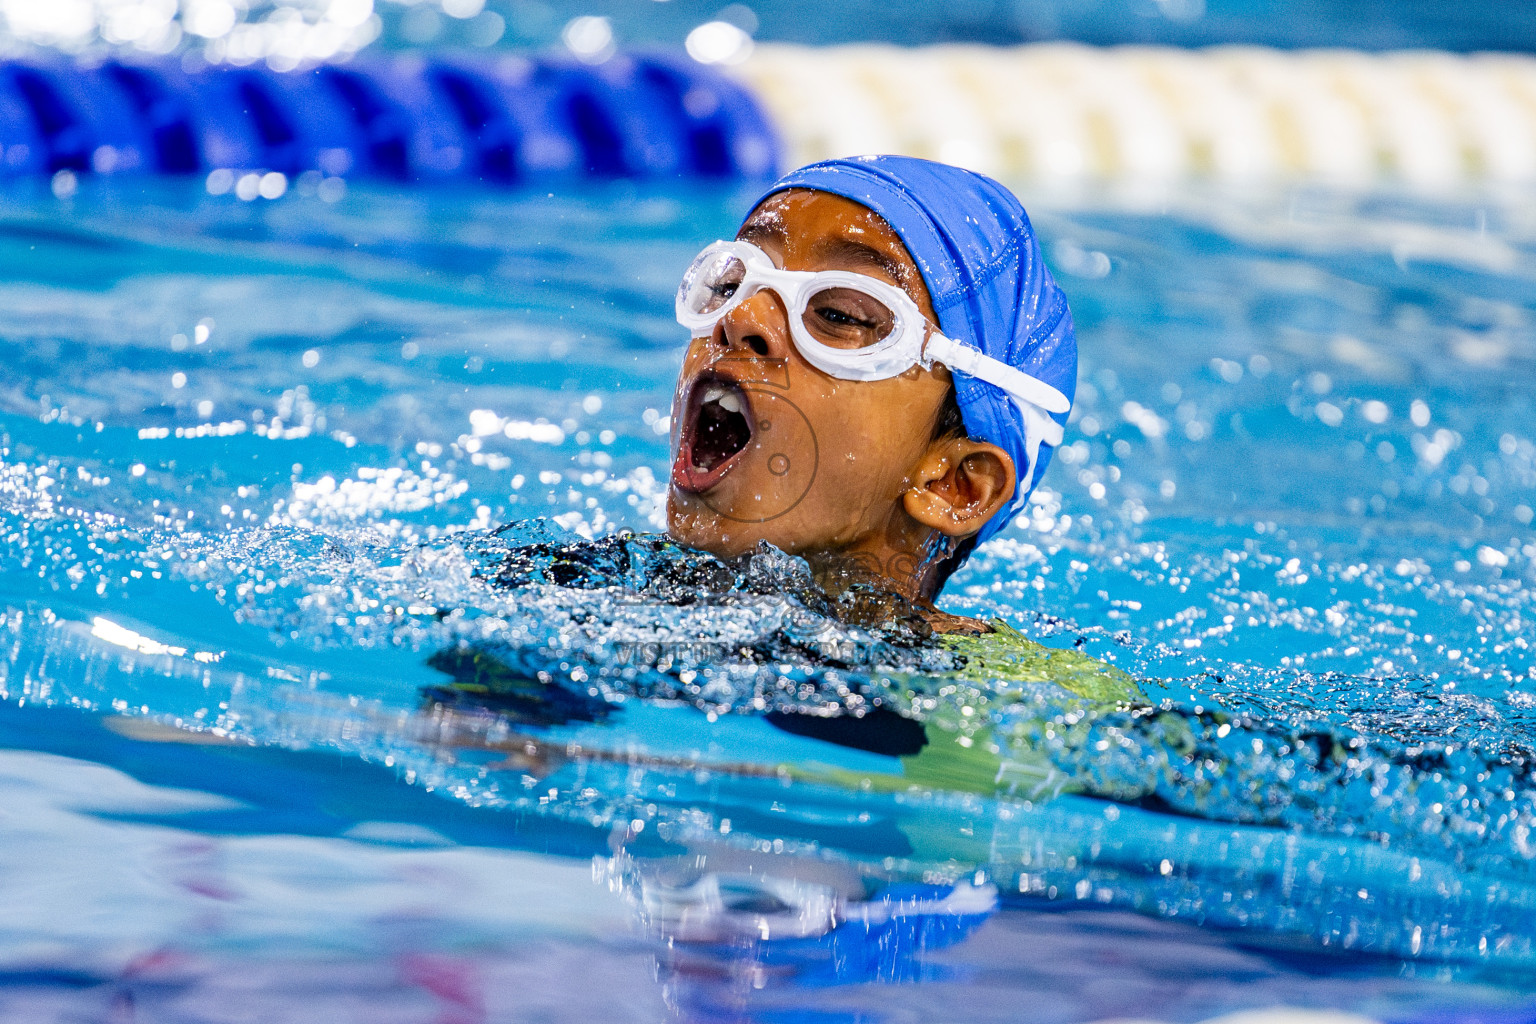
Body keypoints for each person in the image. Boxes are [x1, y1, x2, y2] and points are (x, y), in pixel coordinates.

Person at [665, 154, 1076, 630]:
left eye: (838, 314)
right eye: (731, 283)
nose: (740, 318)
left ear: (955, 487)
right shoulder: (584, 582)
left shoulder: (996, 695)